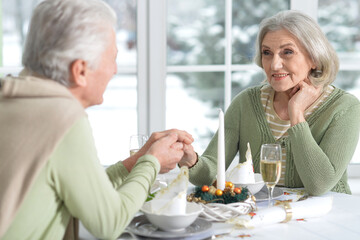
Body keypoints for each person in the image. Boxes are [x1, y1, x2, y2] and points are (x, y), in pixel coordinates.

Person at [0, 0, 193, 239]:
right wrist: (152, 162)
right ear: (80, 70)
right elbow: (109, 223)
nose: (114, 70)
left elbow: (86, 193)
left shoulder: (15, 97)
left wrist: (137, 161)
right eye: (112, 58)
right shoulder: (61, 117)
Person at [179, 10, 360, 196]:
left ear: (314, 58)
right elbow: (210, 175)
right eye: (267, 53)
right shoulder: (246, 102)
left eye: (287, 52)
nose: (274, 65)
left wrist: (296, 114)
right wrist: (191, 160)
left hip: (326, 217)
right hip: (263, 216)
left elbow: (320, 185)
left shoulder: (344, 108)